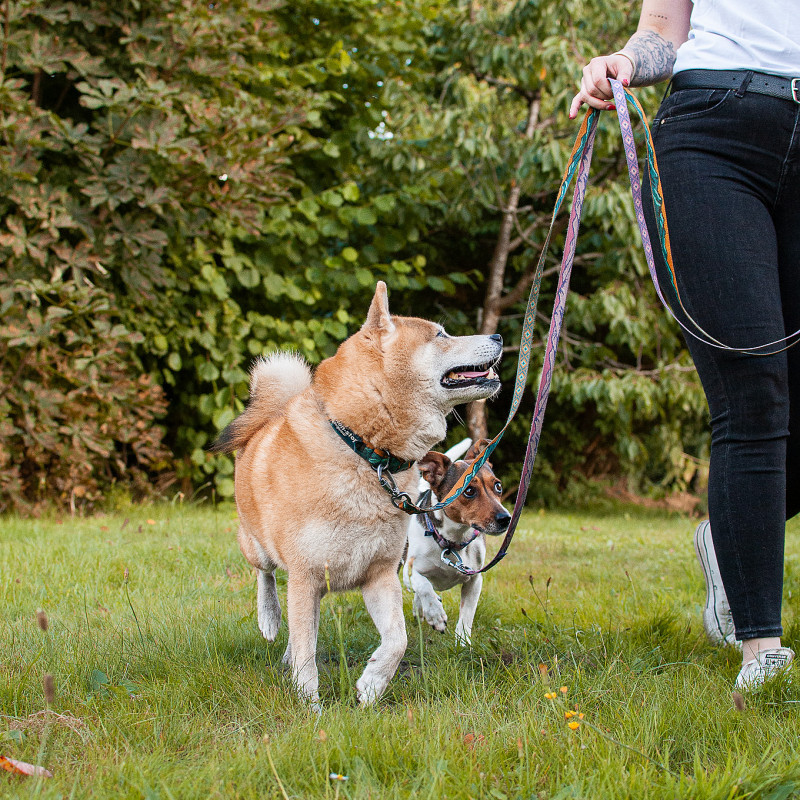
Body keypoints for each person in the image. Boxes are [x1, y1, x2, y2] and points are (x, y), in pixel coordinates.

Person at [570, 0, 799, 690]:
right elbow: (665, 30)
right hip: (714, 132)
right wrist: (626, 63)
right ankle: (763, 652)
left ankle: (730, 540)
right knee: (753, 391)